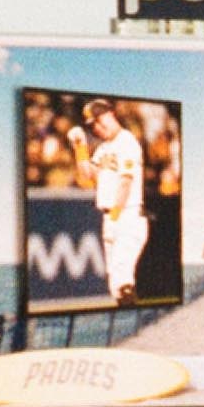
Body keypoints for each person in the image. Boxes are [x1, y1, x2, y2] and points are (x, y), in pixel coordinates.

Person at [67, 99, 149, 309]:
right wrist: (80, 146)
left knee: (122, 280)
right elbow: (88, 176)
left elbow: (126, 182)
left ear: (111, 114)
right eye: (92, 124)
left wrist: (115, 216)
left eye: (99, 119)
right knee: (115, 284)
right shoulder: (104, 148)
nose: (97, 126)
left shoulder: (127, 142)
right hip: (112, 217)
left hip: (127, 216)